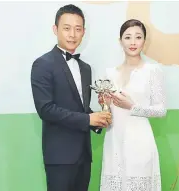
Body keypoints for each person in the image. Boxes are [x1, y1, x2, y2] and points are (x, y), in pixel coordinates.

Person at [30, 4, 111, 191]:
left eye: (78, 29)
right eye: (66, 28)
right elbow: (46, 109)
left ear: (84, 32)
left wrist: (99, 120)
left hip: (84, 156)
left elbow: (81, 109)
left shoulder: (86, 68)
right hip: (59, 157)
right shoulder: (42, 64)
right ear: (55, 29)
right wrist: (88, 118)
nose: (72, 34)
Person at [99, 19, 167, 191]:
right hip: (114, 140)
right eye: (128, 37)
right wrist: (105, 105)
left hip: (140, 142)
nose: (133, 42)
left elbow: (161, 110)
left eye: (138, 37)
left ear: (145, 41)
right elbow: (108, 111)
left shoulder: (152, 71)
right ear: (120, 40)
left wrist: (132, 107)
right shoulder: (110, 73)